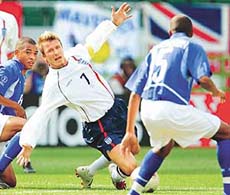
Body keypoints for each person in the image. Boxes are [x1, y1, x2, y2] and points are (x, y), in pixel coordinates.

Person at [4, 2, 138, 189]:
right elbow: (41, 115)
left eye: (57, 47)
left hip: (117, 108)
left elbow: (94, 41)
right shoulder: (54, 84)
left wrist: (113, 23)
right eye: (50, 51)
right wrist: (27, 144)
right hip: (99, 125)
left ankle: (90, 171)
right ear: (45, 57)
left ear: (61, 46)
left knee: (135, 148)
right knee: (131, 166)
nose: (56, 52)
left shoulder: (76, 54)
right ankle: (117, 172)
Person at [121, 14, 230, 195]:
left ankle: (134, 193)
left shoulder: (155, 49)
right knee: (226, 133)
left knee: (164, 147)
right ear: (192, 32)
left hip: (148, 109)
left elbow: (134, 94)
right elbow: (203, 79)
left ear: (170, 32)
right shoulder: (191, 46)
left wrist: (129, 132)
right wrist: (216, 92)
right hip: (170, 108)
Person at [0, 37, 38, 188]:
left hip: (3, 125)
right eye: (28, 52)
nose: (32, 57)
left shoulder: (21, 74)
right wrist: (17, 107)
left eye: (35, 53)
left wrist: (18, 112)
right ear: (16, 52)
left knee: (10, 182)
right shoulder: (11, 68)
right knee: (30, 126)